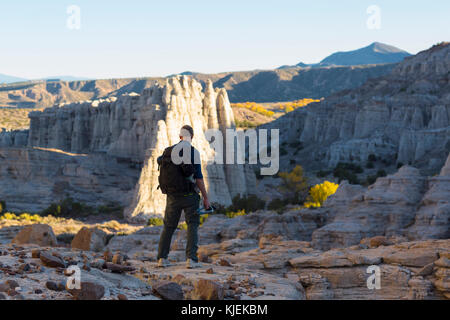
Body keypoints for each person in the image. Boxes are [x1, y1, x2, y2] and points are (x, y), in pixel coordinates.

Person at [156, 125, 210, 269]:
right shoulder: (193, 152)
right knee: (192, 225)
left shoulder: (168, 151)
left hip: (172, 196)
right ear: (192, 137)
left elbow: (159, 161)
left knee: (168, 226)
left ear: (180, 137)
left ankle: (162, 258)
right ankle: (191, 260)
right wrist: (205, 197)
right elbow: (198, 177)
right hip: (190, 196)